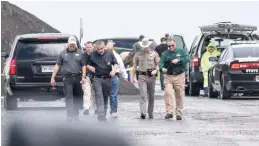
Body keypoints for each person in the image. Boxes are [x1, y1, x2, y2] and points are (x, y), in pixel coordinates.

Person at [51, 36, 86, 121]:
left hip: (77, 77)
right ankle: (70, 115)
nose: (72, 46)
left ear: (75, 44)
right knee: (69, 97)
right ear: (68, 44)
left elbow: (83, 66)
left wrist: (83, 77)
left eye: (73, 44)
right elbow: (57, 66)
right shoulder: (62, 53)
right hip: (67, 78)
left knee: (77, 96)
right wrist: (53, 77)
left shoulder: (80, 53)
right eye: (71, 44)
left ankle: (76, 115)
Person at [87, 40, 118, 121]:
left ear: (104, 47)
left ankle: (103, 114)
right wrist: (90, 67)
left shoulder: (110, 54)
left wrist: (113, 71)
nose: (100, 50)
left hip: (107, 78)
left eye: (101, 49)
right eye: (98, 49)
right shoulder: (92, 55)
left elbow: (115, 63)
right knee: (99, 95)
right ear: (96, 48)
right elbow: (86, 64)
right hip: (97, 78)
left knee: (105, 96)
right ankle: (100, 114)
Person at [159, 39, 190, 120]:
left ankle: (179, 113)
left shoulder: (181, 51)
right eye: (169, 46)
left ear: (175, 45)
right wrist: (162, 69)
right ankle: (169, 112)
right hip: (168, 76)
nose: (171, 47)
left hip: (179, 75)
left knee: (179, 94)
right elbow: (160, 64)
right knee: (168, 93)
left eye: (172, 45)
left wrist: (179, 60)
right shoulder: (165, 54)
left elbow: (187, 58)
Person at [131, 37, 160, 119]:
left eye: (146, 46)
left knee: (151, 96)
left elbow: (158, 64)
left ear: (149, 45)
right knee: (143, 95)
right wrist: (132, 77)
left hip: (151, 77)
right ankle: (143, 113)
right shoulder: (138, 54)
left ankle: (150, 113)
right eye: (143, 46)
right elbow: (134, 65)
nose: (145, 47)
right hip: (141, 76)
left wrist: (156, 70)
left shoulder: (154, 53)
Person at [106, 40, 128, 118]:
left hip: (115, 76)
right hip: (105, 77)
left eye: (111, 45)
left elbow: (121, 66)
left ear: (113, 46)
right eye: (108, 45)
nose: (109, 47)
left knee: (113, 95)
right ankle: (102, 110)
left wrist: (125, 76)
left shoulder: (117, 56)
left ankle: (113, 111)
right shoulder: (103, 55)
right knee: (104, 95)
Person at [82, 41, 96, 115]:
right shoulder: (83, 55)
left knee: (95, 93)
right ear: (85, 47)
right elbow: (83, 65)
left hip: (96, 76)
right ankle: (86, 108)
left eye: (90, 47)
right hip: (87, 76)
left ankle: (95, 108)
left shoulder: (96, 54)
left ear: (93, 47)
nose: (89, 48)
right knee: (87, 92)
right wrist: (83, 77)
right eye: (87, 47)